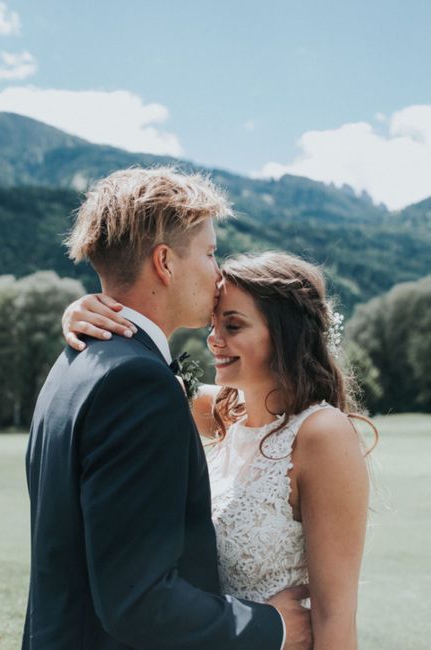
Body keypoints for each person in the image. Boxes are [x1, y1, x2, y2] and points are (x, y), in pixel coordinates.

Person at [23, 167, 312, 650]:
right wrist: (274, 628)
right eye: (210, 252)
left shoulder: (75, 360)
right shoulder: (135, 382)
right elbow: (139, 603)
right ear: (165, 262)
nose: (218, 273)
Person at [64, 248, 375, 650]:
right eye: (214, 323)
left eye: (233, 325)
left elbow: (334, 618)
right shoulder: (224, 412)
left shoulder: (321, 434)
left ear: (286, 335)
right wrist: (80, 311)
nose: (213, 339)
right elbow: (137, 382)